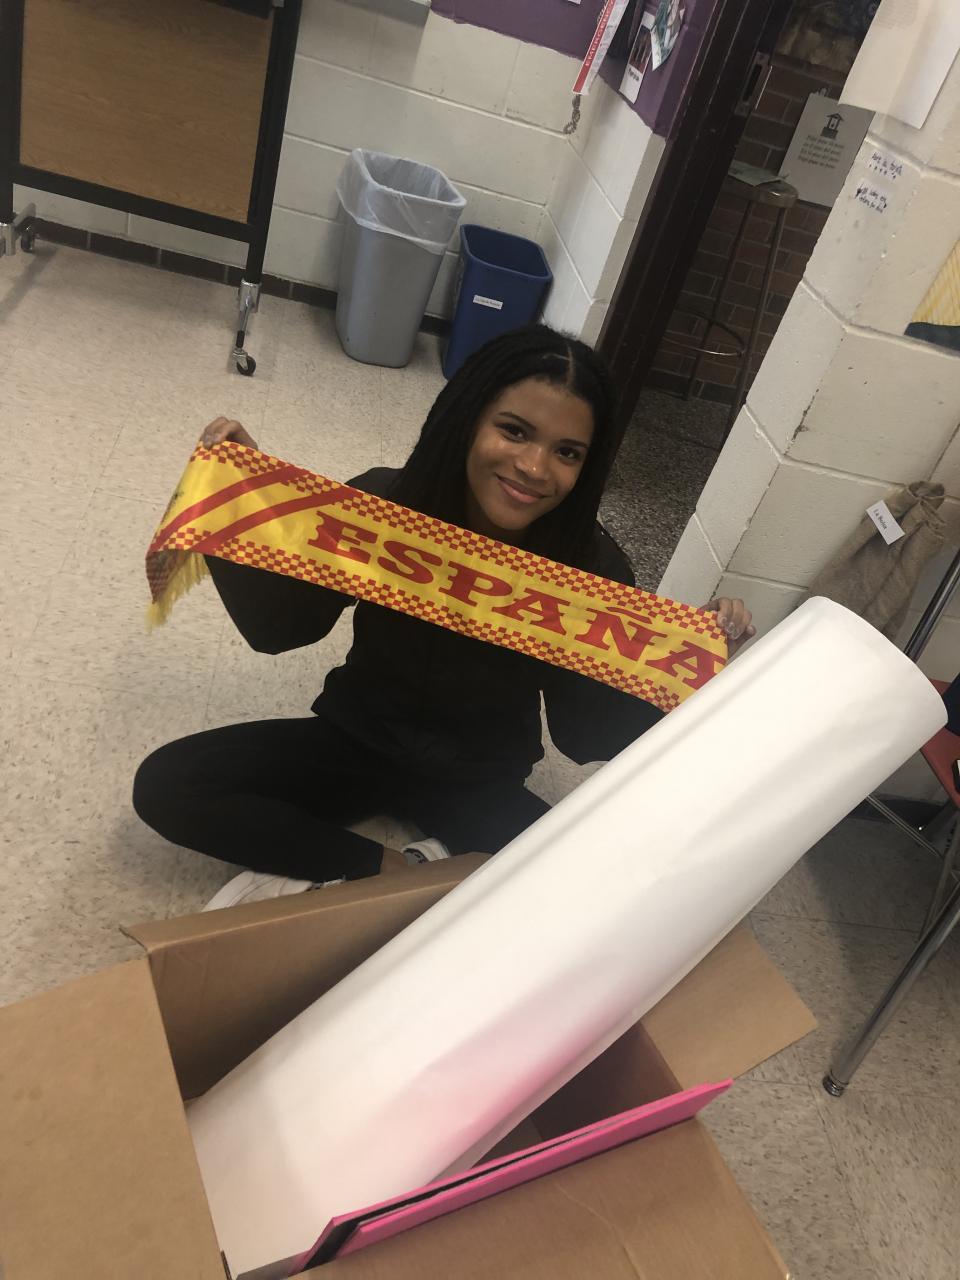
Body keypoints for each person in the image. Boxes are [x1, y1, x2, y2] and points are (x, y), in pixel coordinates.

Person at [133, 326, 754, 909]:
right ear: (467, 420)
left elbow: (586, 731)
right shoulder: (388, 504)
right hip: (355, 740)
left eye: (567, 452)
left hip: (477, 778)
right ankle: (396, 874)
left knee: (601, 887)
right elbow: (283, 626)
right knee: (167, 784)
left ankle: (403, 874)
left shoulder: (589, 565)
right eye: (514, 431)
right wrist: (247, 504)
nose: (535, 468)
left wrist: (679, 667)